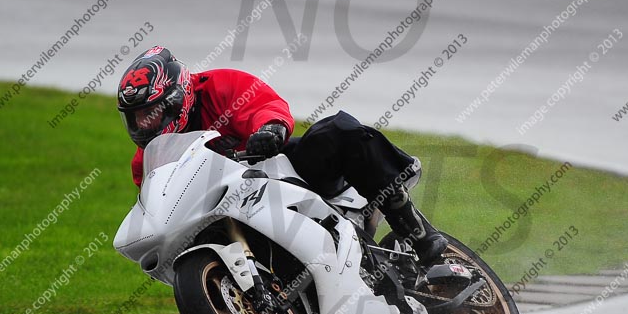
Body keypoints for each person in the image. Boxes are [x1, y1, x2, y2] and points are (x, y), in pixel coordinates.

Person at [117, 46, 447, 265]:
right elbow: (159, 202)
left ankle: (415, 230)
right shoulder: (144, 160)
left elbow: (264, 105)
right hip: (226, 212)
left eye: (153, 112)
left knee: (339, 131)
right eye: (137, 117)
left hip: (275, 169)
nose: (145, 123)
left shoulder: (219, 85)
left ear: (179, 96)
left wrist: (269, 130)